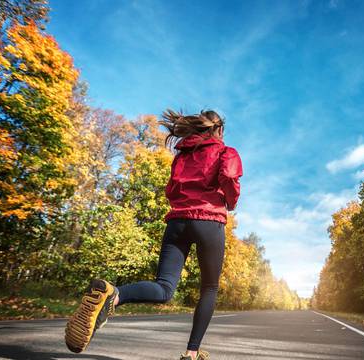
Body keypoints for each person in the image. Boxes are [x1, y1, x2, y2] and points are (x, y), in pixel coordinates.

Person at [64, 109, 243, 360]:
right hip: (209, 222)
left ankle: (115, 295)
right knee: (209, 288)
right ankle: (191, 354)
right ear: (219, 129)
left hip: (177, 222)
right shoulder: (226, 152)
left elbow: (171, 190)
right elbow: (229, 179)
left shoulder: (181, 155)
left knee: (164, 287)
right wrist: (230, 201)